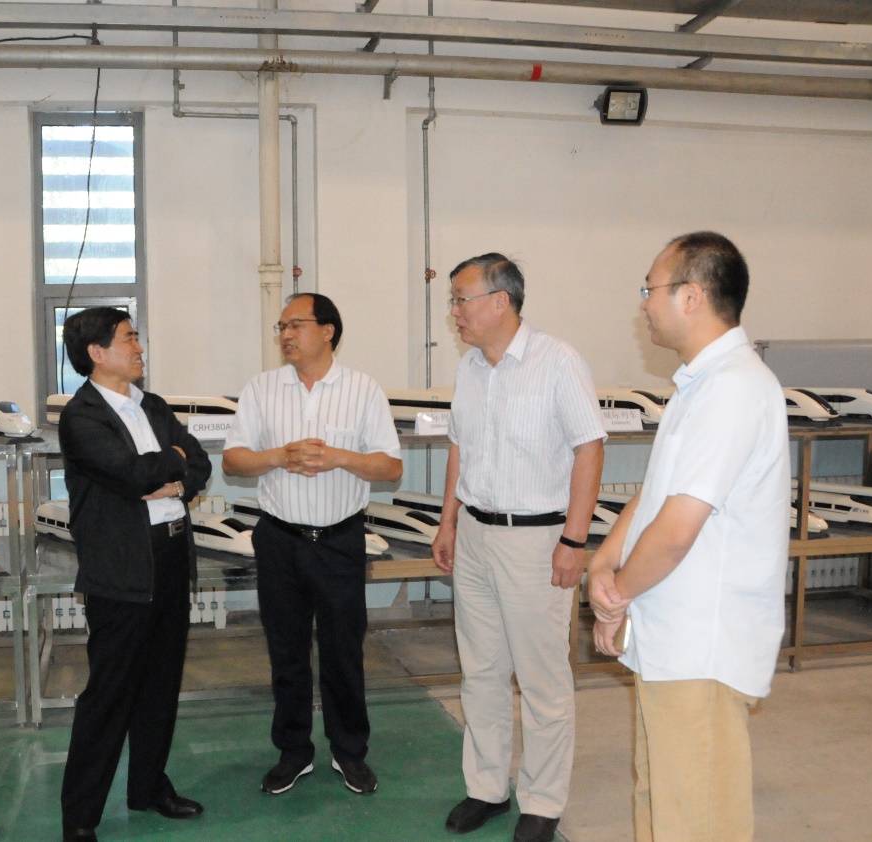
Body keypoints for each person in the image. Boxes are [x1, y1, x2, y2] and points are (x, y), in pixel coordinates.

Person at [589, 232, 789, 842]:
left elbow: (676, 531)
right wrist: (603, 565)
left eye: (650, 288)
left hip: (704, 646)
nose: (644, 303)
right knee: (662, 800)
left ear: (691, 296)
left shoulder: (733, 389)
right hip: (672, 639)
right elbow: (654, 495)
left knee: (697, 819)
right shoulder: (699, 385)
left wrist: (617, 594)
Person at [432, 254, 605, 842]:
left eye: (461, 299)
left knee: (541, 678)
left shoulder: (558, 362)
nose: (454, 312)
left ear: (500, 300)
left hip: (537, 540)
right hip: (475, 535)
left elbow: (589, 448)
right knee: (480, 671)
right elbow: (460, 447)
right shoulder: (470, 369)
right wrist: (448, 522)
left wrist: (573, 540)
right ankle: (487, 787)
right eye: (453, 301)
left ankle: (543, 800)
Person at [223, 293, 402, 797]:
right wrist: (279, 456)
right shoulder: (262, 389)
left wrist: (341, 457)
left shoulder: (363, 389)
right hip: (280, 540)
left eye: (295, 324)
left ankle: (350, 752)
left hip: (340, 539)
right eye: (281, 327)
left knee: (344, 652)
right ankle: (293, 753)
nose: (285, 335)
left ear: (328, 331)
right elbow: (233, 461)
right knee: (287, 652)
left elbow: (390, 467)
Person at [57, 308, 212, 842]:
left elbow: (199, 464)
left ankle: (148, 787)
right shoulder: (82, 417)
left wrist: (172, 479)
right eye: (129, 338)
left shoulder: (154, 406)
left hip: (170, 557)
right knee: (109, 695)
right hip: (121, 569)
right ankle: (80, 818)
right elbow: (130, 473)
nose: (139, 347)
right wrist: (168, 463)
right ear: (97, 352)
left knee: (161, 684)